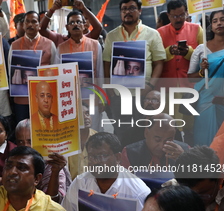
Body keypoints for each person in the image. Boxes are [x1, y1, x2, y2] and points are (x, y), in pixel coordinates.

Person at [103, 0, 166, 141]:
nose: (127, 12)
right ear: (120, 13)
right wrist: (110, 91)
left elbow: (159, 63)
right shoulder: (112, 36)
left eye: (132, 8)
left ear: (139, 11)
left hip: (143, 95)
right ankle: (124, 161)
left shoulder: (152, 34)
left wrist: (149, 87)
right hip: (119, 95)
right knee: (121, 133)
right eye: (124, 9)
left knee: (142, 133)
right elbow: (106, 64)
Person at [62, 132, 150, 211]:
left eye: (102, 156)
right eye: (91, 156)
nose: (96, 162)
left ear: (118, 158)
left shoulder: (137, 192)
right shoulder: (80, 183)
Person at [156, 0, 203, 137]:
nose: (179, 19)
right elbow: (155, 58)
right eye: (174, 16)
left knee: (190, 126)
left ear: (187, 13)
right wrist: (169, 51)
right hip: (166, 87)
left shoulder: (196, 29)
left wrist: (188, 52)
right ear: (168, 16)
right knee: (169, 127)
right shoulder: (159, 33)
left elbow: (204, 55)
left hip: (190, 86)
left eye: (182, 15)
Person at [187, 9, 224, 146]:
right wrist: (201, 72)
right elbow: (190, 77)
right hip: (205, 101)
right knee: (204, 142)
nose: (219, 23)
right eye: (215, 21)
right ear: (211, 25)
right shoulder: (201, 49)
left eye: (223, 19)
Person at [10, 11, 57, 124]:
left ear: (39, 25)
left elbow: (56, 71)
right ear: (24, 24)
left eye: (34, 21)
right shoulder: (14, 45)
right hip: (21, 99)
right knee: (23, 131)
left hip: (44, 99)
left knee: (43, 130)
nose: (30, 24)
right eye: (27, 21)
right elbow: (10, 73)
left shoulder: (50, 44)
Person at [164, 146, 224, 211]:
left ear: (219, 179)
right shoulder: (169, 192)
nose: (194, 200)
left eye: (202, 195)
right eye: (188, 194)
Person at [15, 119, 71, 203]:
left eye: (30, 141)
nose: (25, 146)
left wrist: (55, 173)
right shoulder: (14, 160)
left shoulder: (51, 162)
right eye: (20, 142)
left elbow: (53, 202)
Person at [121, 113, 189, 169]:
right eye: (157, 140)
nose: (162, 145)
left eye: (168, 140)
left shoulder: (186, 150)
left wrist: (185, 160)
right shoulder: (130, 153)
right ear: (146, 133)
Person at [56, 8, 104, 81]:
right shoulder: (61, 48)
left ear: (84, 25)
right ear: (67, 27)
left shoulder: (95, 45)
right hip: (69, 91)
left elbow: (100, 73)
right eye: (72, 23)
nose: (75, 24)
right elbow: (57, 74)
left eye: (78, 22)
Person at [68, 102, 97, 179]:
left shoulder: (98, 138)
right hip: (71, 186)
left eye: (87, 114)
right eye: (81, 115)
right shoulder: (66, 140)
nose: (86, 117)